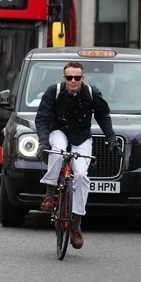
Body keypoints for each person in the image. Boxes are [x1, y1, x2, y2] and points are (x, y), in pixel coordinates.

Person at [35, 61, 120, 249]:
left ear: (83, 78)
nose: (73, 81)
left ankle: (76, 225)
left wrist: (112, 138)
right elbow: (42, 118)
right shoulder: (53, 91)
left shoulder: (92, 93)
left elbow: (103, 116)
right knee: (57, 152)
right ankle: (49, 194)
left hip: (81, 136)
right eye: (69, 77)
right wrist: (43, 141)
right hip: (59, 131)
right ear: (63, 78)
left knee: (81, 175)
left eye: (77, 78)